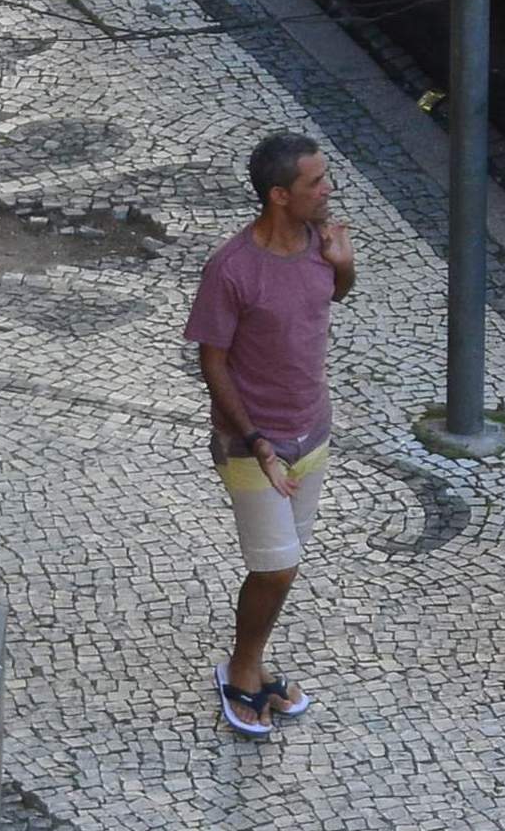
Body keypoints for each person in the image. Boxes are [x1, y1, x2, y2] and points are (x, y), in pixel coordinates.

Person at [187, 132, 356, 738]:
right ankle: (241, 668)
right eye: (316, 182)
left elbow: (331, 294)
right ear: (280, 195)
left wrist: (343, 261)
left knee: (281, 566)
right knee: (277, 567)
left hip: (313, 434)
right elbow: (213, 362)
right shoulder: (231, 269)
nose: (328, 189)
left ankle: (252, 664)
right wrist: (256, 439)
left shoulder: (321, 242)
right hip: (252, 446)